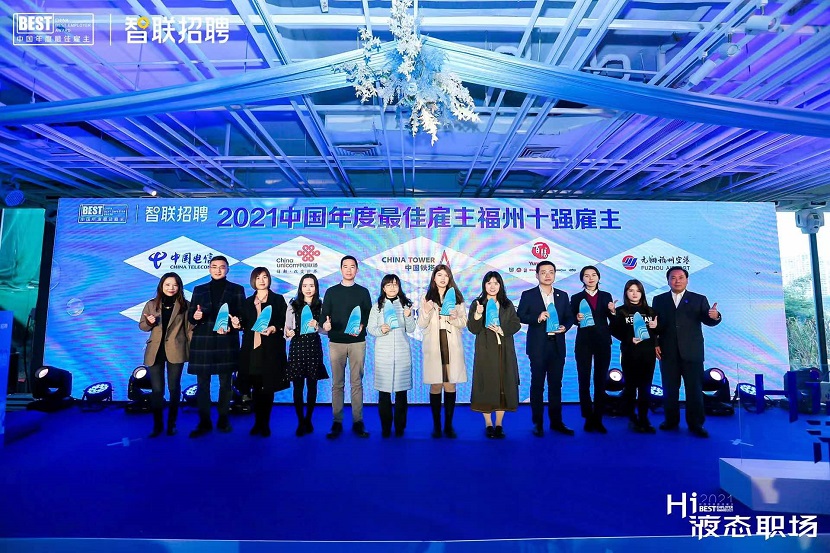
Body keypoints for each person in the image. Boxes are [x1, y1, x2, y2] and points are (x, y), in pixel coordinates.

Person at [652, 266, 722, 438]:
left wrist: (715, 316)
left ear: (687, 280)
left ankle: (696, 424)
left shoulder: (699, 299)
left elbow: (708, 320)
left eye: (681, 277)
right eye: (673, 278)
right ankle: (671, 421)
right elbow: (654, 325)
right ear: (668, 280)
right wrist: (655, 343)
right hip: (667, 352)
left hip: (692, 352)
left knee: (694, 390)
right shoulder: (658, 300)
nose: (677, 281)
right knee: (670, 389)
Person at [186, 255, 246, 438]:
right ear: (209, 269)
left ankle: (223, 419)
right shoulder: (199, 289)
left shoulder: (237, 289)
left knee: (226, 383)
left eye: (222, 267)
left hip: (226, 341)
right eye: (214, 266)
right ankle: (204, 421)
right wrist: (195, 316)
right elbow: (191, 316)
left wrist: (235, 324)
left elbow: (242, 316)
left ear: (227, 269)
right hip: (203, 341)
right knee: (202, 384)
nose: (218, 270)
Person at [517, 261, 575, 437]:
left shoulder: (562, 295)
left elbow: (569, 317)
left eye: (551, 272)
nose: (547, 275)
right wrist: (538, 317)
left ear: (555, 274)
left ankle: (557, 422)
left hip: (557, 346)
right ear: (537, 275)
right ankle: (538, 423)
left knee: (556, 386)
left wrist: (565, 327)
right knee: (537, 385)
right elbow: (520, 316)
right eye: (543, 272)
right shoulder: (528, 294)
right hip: (538, 347)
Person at [321, 255, 373, 439]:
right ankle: (337, 421)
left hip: (358, 342)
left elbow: (369, 315)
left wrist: (362, 324)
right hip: (336, 342)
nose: (349, 270)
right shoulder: (331, 292)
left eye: (352, 267)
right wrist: (325, 325)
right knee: (337, 383)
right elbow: (324, 316)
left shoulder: (363, 292)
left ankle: (358, 421)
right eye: (345, 266)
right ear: (340, 269)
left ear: (357, 270)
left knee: (356, 383)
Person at [234, 267, 289, 438]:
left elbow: (284, 321)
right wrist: (237, 323)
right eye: (258, 278)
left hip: (271, 350)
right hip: (251, 350)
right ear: (253, 281)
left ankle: (265, 424)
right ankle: (257, 422)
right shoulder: (247, 302)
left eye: (265, 277)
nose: (262, 280)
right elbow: (243, 323)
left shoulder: (278, 299)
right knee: (256, 388)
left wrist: (274, 327)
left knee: (268, 388)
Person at [468, 271, 521, 439]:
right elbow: (473, 329)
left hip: (505, 350)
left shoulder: (507, 304)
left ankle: (498, 424)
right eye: (489, 283)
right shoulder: (477, 303)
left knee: (503, 385)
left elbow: (516, 324)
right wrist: (478, 314)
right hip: (486, 352)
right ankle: (488, 424)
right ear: (484, 285)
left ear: (500, 285)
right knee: (487, 385)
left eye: (496, 283)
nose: (492, 286)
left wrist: (502, 329)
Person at [418, 263, 467, 438]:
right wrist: (425, 311)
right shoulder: (427, 298)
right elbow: (421, 324)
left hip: (451, 345)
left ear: (450, 278)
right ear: (434, 278)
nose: (443, 278)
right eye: (439, 275)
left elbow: (464, 323)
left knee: (450, 383)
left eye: (446, 275)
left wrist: (455, 318)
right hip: (434, 345)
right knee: (436, 383)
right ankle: (437, 426)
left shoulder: (457, 298)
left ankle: (448, 425)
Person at [139, 272, 190, 437]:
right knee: (157, 390)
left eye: (175, 285)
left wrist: (193, 351)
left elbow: (189, 330)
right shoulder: (151, 304)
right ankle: (157, 425)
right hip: (155, 351)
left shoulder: (185, 305)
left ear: (179, 287)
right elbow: (142, 326)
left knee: (174, 389)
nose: (171, 288)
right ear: (161, 286)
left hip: (176, 350)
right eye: (167, 284)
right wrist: (149, 322)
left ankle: (171, 424)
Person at [367, 274, 416, 437]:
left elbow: (411, 329)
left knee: (401, 393)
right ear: (383, 288)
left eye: (395, 284)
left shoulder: (405, 304)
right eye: (389, 285)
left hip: (402, 352)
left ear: (399, 287)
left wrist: (408, 316)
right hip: (383, 354)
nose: (392, 287)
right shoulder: (377, 307)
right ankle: (386, 428)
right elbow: (370, 329)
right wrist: (381, 330)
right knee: (384, 393)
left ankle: (400, 427)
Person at [570, 265, 616, 434]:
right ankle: (588, 417)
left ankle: (598, 418)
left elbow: (612, 319)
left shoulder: (606, 296)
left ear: (598, 277)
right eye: (587, 275)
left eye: (594, 275)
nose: (590, 278)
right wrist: (576, 318)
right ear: (582, 279)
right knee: (584, 380)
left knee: (600, 381)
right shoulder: (576, 297)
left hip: (603, 342)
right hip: (583, 343)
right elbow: (571, 318)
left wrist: (613, 312)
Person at [610, 279, 659, 433]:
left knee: (645, 388)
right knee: (631, 388)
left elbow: (658, 332)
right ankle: (632, 417)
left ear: (642, 293)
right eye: (631, 290)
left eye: (637, 290)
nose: (634, 293)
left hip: (648, 354)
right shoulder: (620, 311)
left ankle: (644, 418)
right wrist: (629, 338)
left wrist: (656, 327)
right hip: (629, 354)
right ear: (626, 293)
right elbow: (613, 330)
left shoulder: (651, 311)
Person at [285, 274, 329, 437]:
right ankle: (300, 421)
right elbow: (287, 329)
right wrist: (288, 333)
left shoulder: (321, 305)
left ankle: (309, 419)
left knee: (312, 386)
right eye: (305, 285)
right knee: (297, 387)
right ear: (300, 287)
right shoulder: (293, 304)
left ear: (316, 288)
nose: (308, 289)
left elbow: (326, 330)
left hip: (313, 347)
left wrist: (318, 326)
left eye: (311, 285)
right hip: (297, 347)